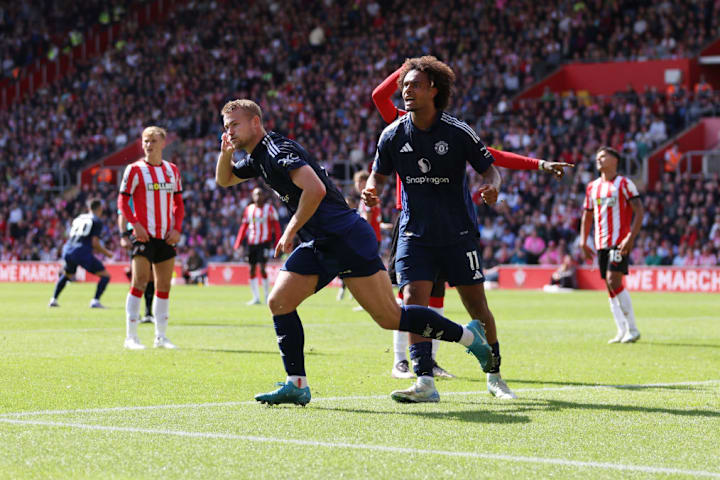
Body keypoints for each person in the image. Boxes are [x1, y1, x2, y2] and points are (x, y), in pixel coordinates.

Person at [216, 99, 495, 406]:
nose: (230, 130)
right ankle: (296, 384)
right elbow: (225, 178)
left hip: (346, 237)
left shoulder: (277, 150)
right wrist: (225, 154)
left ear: (255, 122)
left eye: (235, 124)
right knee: (279, 301)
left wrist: (291, 229)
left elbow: (315, 190)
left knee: (390, 317)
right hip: (322, 243)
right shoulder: (257, 157)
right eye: (227, 125)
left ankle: (469, 337)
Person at [369, 57, 573, 400]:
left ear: (434, 89)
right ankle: (424, 381)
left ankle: (494, 375)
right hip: (412, 232)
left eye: (414, 84)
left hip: (456, 233)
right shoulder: (391, 134)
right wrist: (372, 188)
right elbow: (378, 172)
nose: (406, 90)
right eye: (404, 85)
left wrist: (494, 186)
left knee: (476, 306)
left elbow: (490, 165)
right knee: (412, 301)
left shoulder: (457, 131)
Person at [118, 126, 184, 350]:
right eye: (146, 140)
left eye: (153, 140)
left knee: (164, 286)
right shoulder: (134, 170)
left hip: (165, 236)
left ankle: (161, 337)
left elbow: (179, 204)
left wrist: (177, 228)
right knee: (139, 282)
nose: (149, 144)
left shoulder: (172, 170)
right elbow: (122, 202)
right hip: (143, 236)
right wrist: (135, 226)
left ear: (163, 143)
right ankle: (131, 337)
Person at [580, 146, 644, 344]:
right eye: (597, 156)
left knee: (613, 280)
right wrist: (583, 240)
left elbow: (639, 211)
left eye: (603, 156)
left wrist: (630, 237)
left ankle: (633, 329)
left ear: (615, 160)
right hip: (601, 243)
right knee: (609, 286)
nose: (599, 159)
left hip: (619, 241)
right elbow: (587, 215)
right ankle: (621, 330)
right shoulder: (593, 187)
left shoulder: (624, 184)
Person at [49, 198, 112, 308]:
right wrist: (107, 254)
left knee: (67, 274)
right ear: (100, 209)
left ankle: (53, 299)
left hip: (68, 249)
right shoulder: (96, 221)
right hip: (81, 251)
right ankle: (95, 301)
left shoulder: (79, 218)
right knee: (105, 276)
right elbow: (95, 243)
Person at [233, 186, 281, 304]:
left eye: (260, 194)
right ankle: (256, 298)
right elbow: (244, 227)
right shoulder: (249, 209)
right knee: (252, 269)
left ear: (263, 196)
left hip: (264, 243)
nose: (258, 196)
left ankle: (266, 296)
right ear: (252, 196)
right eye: (256, 194)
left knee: (263, 268)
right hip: (252, 243)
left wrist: (277, 242)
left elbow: (277, 227)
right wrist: (238, 242)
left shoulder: (270, 209)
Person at [119, 208, 155, 323]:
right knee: (138, 276)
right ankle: (133, 314)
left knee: (151, 275)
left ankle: (148, 313)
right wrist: (124, 236)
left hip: (155, 231)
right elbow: (122, 212)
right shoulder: (131, 191)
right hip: (136, 232)